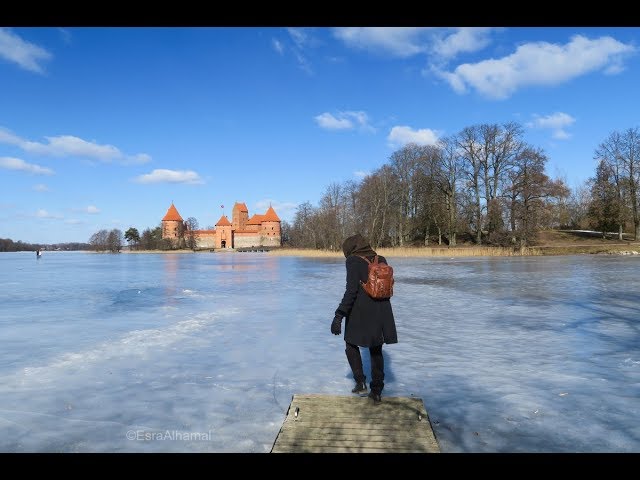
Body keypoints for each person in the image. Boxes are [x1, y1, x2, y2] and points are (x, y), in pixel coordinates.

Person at [331, 233, 397, 404]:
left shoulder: (353, 261)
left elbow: (351, 290)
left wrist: (339, 315)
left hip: (360, 311)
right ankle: (376, 391)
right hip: (382, 310)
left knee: (351, 343)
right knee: (376, 350)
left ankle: (360, 382)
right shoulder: (380, 257)